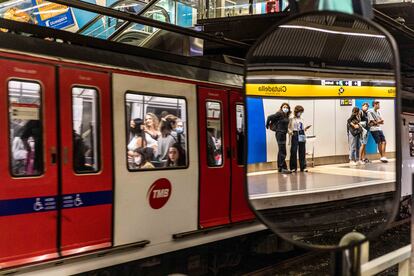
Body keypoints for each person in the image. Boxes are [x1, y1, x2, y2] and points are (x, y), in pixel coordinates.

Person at [266, 103, 291, 174]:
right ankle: (282, 168)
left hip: (283, 134)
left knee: (281, 150)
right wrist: (267, 124)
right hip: (280, 134)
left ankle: (281, 168)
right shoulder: (279, 113)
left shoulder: (285, 115)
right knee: (283, 151)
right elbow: (269, 117)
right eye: (284, 107)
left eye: (287, 107)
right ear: (281, 108)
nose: (285, 108)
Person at [289, 105, 311, 172]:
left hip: (301, 133)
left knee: (302, 150)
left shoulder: (302, 119)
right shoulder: (291, 118)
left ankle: (303, 167)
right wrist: (290, 132)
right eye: (299, 112)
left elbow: (302, 127)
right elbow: (288, 127)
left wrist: (305, 128)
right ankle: (293, 168)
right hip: (294, 134)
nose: (300, 113)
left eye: (301, 112)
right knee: (294, 151)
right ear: (296, 111)